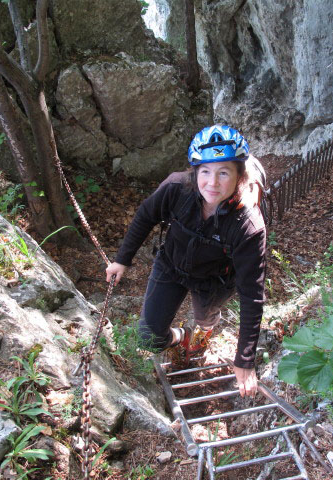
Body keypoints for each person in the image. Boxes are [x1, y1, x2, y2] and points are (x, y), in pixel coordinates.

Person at [105, 125, 266, 397]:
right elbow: (146, 216)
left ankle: (201, 334)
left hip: (215, 280)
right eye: (205, 171)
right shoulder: (176, 189)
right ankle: (181, 337)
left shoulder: (247, 225)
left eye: (223, 172)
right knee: (149, 338)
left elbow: (252, 294)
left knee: (205, 320)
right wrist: (122, 260)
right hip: (171, 265)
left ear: (240, 175)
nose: (212, 183)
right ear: (195, 172)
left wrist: (245, 359)